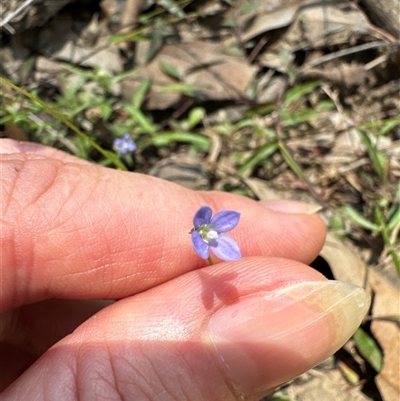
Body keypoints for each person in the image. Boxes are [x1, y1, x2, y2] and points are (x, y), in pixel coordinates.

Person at [0, 138, 369, 401]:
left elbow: (219, 233)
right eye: (205, 230)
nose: (208, 232)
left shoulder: (216, 237)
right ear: (199, 228)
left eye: (210, 230)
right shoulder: (200, 233)